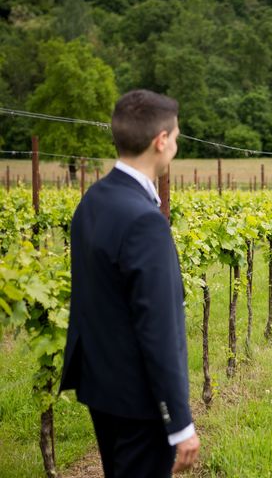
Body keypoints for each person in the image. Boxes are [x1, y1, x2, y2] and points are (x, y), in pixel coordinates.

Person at [60, 89, 200, 476]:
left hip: (101, 388)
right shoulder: (145, 221)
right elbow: (157, 328)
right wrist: (180, 423)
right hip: (139, 402)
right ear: (161, 141)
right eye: (175, 136)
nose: (176, 144)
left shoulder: (93, 199)